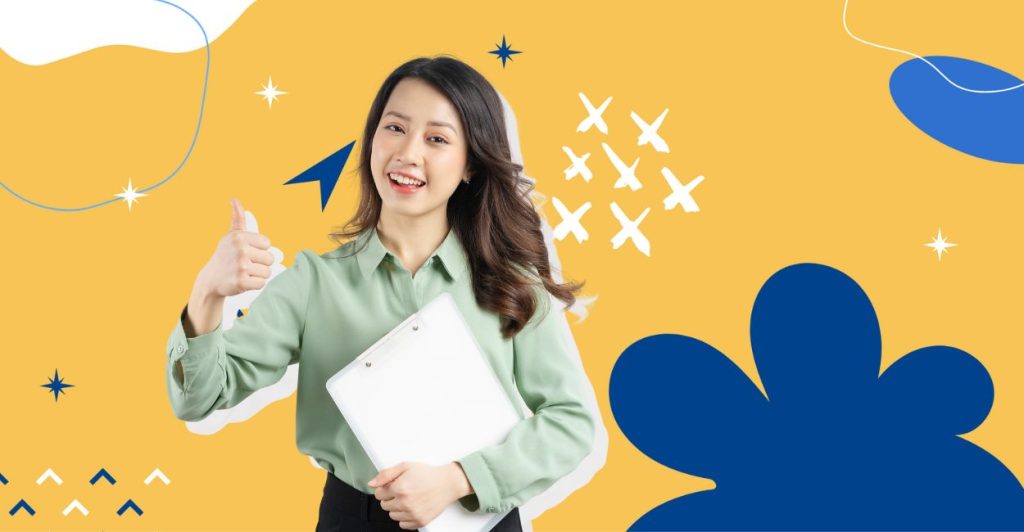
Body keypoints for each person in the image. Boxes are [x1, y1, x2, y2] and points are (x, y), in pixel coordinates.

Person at [165, 55, 597, 531]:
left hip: (483, 514)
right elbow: (199, 398)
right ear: (372, 139)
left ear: (470, 163)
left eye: (436, 138)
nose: (408, 153)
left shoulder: (511, 282)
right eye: (395, 128)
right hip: (357, 518)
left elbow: (570, 421)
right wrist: (207, 293)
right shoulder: (314, 283)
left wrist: (459, 479)